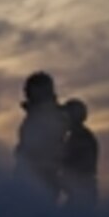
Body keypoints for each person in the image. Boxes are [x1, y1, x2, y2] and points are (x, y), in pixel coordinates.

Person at [14, 71, 69, 201]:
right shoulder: (37, 114)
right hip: (32, 177)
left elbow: (45, 147)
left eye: (29, 89)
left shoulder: (49, 115)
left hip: (41, 178)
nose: (25, 92)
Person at [61, 98, 99, 209]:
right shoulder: (78, 136)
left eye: (66, 115)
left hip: (82, 191)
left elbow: (76, 165)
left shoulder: (80, 138)